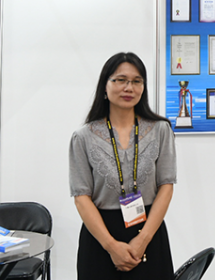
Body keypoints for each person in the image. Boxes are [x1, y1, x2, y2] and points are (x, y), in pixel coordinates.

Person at [70, 52, 177, 279]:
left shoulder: (160, 130)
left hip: (149, 233)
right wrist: (111, 246)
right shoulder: (83, 137)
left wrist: (143, 240)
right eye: (120, 80)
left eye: (137, 81)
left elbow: (166, 186)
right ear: (105, 85)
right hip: (100, 237)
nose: (129, 87)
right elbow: (81, 197)